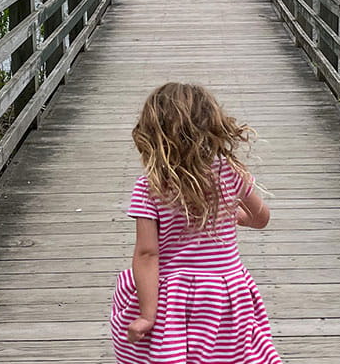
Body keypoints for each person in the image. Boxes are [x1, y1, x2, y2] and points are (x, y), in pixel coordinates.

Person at [110, 83, 282, 364]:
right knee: (226, 355)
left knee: (170, 355)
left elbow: (147, 253)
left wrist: (147, 315)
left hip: (172, 296)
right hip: (224, 293)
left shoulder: (150, 187)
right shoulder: (231, 173)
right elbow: (261, 218)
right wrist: (232, 215)